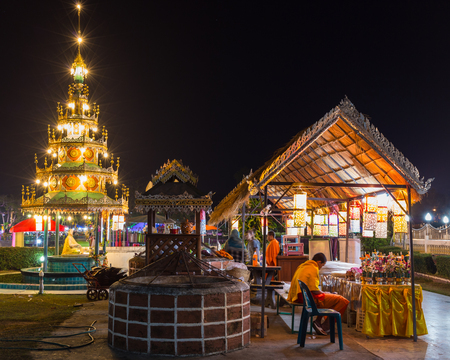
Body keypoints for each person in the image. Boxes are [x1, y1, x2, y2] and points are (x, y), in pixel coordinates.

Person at [287, 252, 349, 336]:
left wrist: (326, 293)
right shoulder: (313, 267)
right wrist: (325, 293)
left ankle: (319, 322)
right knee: (343, 300)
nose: (320, 268)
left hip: (298, 295)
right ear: (319, 262)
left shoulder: (303, 265)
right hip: (306, 298)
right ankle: (326, 326)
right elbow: (314, 289)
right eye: (322, 265)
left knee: (332, 297)